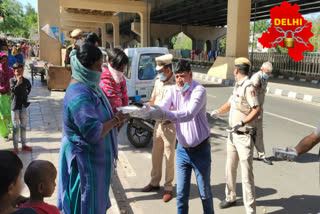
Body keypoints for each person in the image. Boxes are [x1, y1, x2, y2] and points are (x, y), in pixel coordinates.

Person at [57, 43, 130, 214]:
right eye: (98, 67)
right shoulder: (79, 94)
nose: (100, 71)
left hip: (94, 167)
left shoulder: (90, 88)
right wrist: (116, 120)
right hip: (84, 167)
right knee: (85, 207)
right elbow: (93, 132)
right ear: (86, 67)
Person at [141, 59, 214, 214]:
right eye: (178, 76)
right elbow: (162, 107)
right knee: (181, 195)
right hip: (182, 151)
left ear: (191, 75)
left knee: (205, 194)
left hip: (200, 150)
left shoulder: (198, 91)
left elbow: (188, 114)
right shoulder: (173, 90)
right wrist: (146, 109)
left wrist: (163, 114)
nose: (180, 80)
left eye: (183, 76)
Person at [211, 57, 260, 214]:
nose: (233, 72)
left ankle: (250, 210)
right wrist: (218, 111)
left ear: (237, 70)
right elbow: (230, 103)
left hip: (244, 136)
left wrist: (243, 122)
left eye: (234, 69)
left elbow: (256, 109)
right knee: (230, 169)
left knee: (246, 175)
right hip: (232, 135)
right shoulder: (238, 86)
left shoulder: (248, 86)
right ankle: (230, 196)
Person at [141, 54, 177, 202]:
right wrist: (146, 109)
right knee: (156, 154)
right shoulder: (158, 81)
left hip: (169, 125)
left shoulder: (176, 84)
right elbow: (153, 99)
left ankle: (168, 187)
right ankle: (154, 182)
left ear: (168, 70)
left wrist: (170, 116)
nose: (159, 74)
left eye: (161, 71)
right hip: (157, 124)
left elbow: (178, 106)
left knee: (169, 157)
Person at [250, 62, 273, 165]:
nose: (267, 74)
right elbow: (252, 94)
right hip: (252, 109)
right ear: (262, 69)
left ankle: (261, 155)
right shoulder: (256, 78)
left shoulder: (265, 78)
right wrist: (255, 110)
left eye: (269, 73)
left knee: (259, 133)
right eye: (267, 72)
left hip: (259, 109)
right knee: (249, 132)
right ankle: (244, 153)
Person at [10, 62, 32, 154]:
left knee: (23, 126)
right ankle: (15, 147)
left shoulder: (26, 81)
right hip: (15, 107)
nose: (19, 73)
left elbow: (29, 88)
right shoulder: (12, 81)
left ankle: (24, 145)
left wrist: (25, 94)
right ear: (14, 72)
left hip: (23, 106)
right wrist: (18, 83)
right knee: (15, 127)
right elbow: (14, 90)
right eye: (17, 71)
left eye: (21, 70)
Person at [99, 48, 129, 114]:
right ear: (111, 64)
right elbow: (111, 100)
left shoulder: (121, 78)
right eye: (121, 68)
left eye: (124, 68)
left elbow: (124, 95)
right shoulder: (103, 78)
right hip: (109, 118)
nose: (122, 71)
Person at [0, 52, 14, 140]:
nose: (4, 62)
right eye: (2, 60)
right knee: (2, 116)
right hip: (1, 96)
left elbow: (13, 81)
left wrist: (10, 89)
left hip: (10, 94)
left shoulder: (11, 70)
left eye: (6, 60)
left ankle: (14, 132)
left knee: (13, 114)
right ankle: (5, 134)